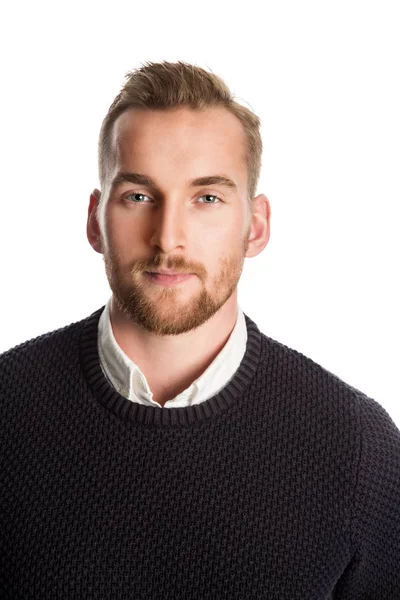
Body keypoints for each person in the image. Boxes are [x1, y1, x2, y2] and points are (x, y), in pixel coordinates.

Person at [0, 60, 399, 599]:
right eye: (138, 196)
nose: (169, 239)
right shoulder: (9, 404)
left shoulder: (356, 448)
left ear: (254, 226)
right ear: (95, 220)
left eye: (207, 198)